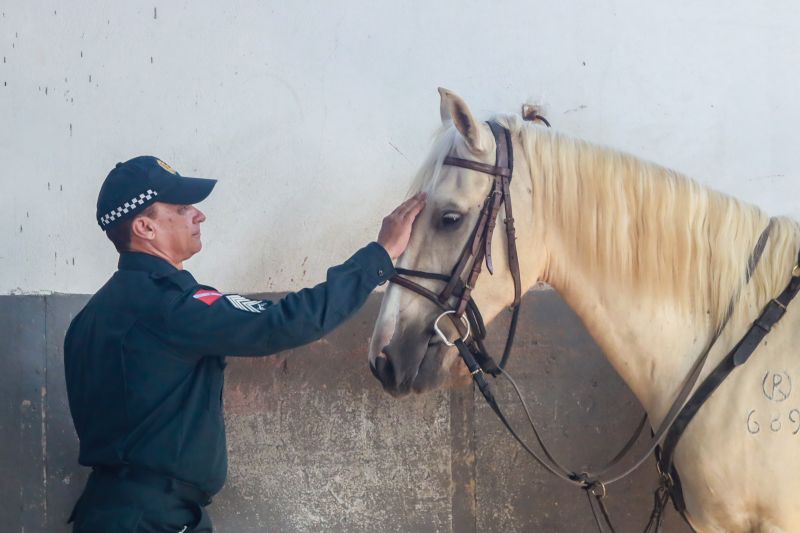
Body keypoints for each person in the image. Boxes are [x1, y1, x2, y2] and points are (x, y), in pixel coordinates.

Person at [64, 155, 426, 532]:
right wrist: (379, 256)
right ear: (145, 227)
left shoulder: (91, 317)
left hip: (120, 510)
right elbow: (284, 321)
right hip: (151, 519)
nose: (198, 215)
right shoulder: (170, 305)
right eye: (182, 207)